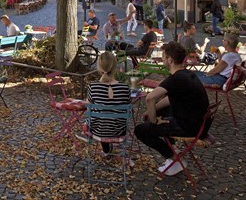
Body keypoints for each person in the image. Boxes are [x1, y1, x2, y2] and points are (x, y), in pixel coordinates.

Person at [134, 41, 209, 176]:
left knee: (140, 130)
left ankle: (174, 159)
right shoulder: (186, 74)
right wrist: (151, 111)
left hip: (189, 127)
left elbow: (149, 98)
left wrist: (153, 120)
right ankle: (172, 148)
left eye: (163, 56)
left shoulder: (175, 79)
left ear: (170, 59)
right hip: (200, 122)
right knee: (160, 111)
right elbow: (170, 98)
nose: (162, 58)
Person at [84, 52, 131, 155]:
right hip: (118, 131)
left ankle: (106, 150)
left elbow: (87, 106)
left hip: (97, 131)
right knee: (109, 119)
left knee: (99, 119)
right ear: (115, 67)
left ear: (99, 68)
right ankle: (108, 149)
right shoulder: (125, 87)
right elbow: (128, 107)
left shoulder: (93, 86)